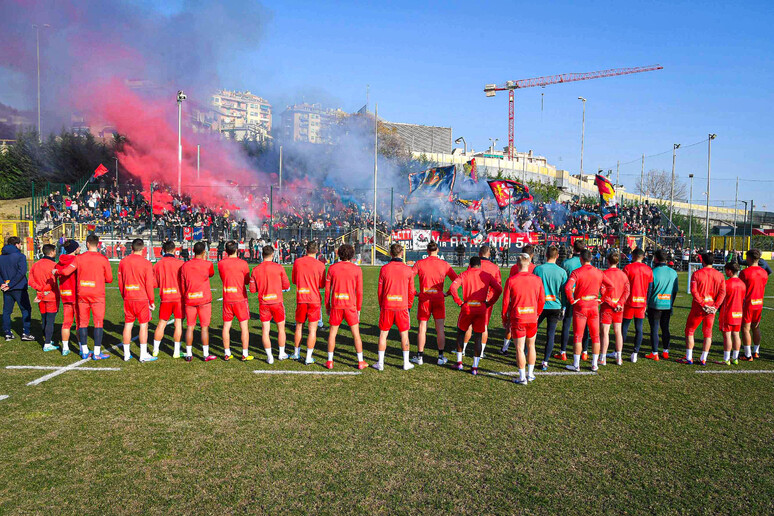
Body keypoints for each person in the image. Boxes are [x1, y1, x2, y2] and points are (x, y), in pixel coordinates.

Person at [56, 234, 113, 360]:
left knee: (82, 322)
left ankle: (85, 351)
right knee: (98, 322)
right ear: (98, 244)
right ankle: (97, 352)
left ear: (87, 244)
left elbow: (66, 271)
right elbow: (109, 279)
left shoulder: (79, 258)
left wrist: (56, 271)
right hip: (97, 294)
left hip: (82, 294)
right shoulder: (103, 259)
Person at [447, 256, 502, 375]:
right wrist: (490, 302)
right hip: (481, 308)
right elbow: (498, 289)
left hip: (467, 307)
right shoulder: (486, 275)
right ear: (480, 265)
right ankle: (475, 367)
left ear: (470, 264)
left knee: (461, 333)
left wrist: (459, 302)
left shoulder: (464, 274)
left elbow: (453, 288)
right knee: (478, 336)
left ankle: (459, 362)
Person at [412, 241, 457, 365]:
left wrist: (415, 292)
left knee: (422, 328)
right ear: (437, 250)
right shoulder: (444, 264)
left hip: (424, 299)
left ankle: (420, 356)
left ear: (427, 251)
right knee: (440, 329)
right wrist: (447, 293)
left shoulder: (420, 263)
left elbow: (409, 277)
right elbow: (457, 281)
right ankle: (440, 357)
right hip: (438, 299)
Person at [502, 253, 545, 384]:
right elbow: (542, 300)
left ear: (517, 264)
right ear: (530, 263)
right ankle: (530, 374)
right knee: (531, 346)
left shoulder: (512, 280)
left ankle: (522, 377)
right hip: (532, 317)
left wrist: (505, 318)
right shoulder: (537, 280)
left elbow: (505, 302)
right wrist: (537, 314)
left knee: (520, 348)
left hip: (518, 318)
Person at [324, 244, 368, 370]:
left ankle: (330, 361)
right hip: (350, 306)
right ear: (352, 255)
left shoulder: (332, 268)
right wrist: (358, 308)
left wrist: (328, 305)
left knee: (332, 333)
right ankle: (360, 361)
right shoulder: (357, 269)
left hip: (336, 305)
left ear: (339, 254)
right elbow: (359, 292)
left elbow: (328, 290)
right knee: (356, 334)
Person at [678, 252, 726, 365]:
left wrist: (703, 304)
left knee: (690, 331)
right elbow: (722, 293)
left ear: (702, 261)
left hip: (699, 308)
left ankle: (689, 357)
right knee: (708, 333)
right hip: (711, 309)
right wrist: (715, 307)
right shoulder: (720, 275)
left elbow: (694, 291)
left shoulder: (697, 274)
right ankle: (703, 358)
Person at [374, 243, 416, 371]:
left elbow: (380, 291)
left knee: (383, 334)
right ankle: (406, 362)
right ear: (402, 253)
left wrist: (381, 305)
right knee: (404, 335)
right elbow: (411, 291)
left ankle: (380, 363)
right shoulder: (408, 270)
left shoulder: (384, 269)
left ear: (390, 253)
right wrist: (409, 306)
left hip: (387, 306)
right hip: (402, 307)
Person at [117, 238, 157, 362]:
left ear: (132, 248)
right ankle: (143, 354)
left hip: (129, 297)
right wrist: (151, 300)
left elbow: (120, 282)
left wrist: (125, 295)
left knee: (128, 325)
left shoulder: (123, 262)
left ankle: (126, 354)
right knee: (143, 326)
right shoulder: (147, 263)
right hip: (142, 298)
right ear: (143, 249)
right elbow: (149, 284)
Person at [564, 249, 603, 372]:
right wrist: (602, 299)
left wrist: (571, 299)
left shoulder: (576, 272)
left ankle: (576, 365)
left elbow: (568, 287)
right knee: (595, 336)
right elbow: (610, 286)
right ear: (591, 259)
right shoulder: (598, 272)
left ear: (581, 259)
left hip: (580, 306)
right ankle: (594, 364)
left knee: (578, 336)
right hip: (593, 306)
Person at [249, 245, 291, 363]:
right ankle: (281, 353)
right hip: (277, 302)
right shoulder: (279, 267)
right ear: (273, 255)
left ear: (262, 255)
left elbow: (252, 289)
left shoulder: (256, 269)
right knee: (281, 329)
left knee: (265, 330)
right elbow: (286, 285)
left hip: (264, 303)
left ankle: (269, 356)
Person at [529, 246, 567, 371]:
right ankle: (545, 361)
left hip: (539, 306)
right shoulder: (562, 272)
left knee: (531, 332)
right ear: (557, 257)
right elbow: (564, 291)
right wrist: (564, 307)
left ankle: (525, 356)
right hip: (555, 306)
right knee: (550, 334)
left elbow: (533, 288)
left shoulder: (538, 269)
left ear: (545, 255)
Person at [463, 245, 501, 358]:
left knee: (468, 324)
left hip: (472, 299)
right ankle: (481, 352)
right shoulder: (494, 268)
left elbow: (466, 279)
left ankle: (463, 349)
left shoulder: (472, 265)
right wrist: (490, 299)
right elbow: (498, 286)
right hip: (486, 301)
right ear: (489, 254)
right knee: (484, 326)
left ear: (479, 253)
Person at [180, 241, 215, 362]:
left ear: (193, 251)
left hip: (190, 298)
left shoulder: (185, 265)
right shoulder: (208, 264)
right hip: (204, 299)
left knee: (190, 327)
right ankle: (205, 354)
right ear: (204, 252)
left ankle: (189, 353)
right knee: (204, 327)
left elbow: (183, 283)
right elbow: (211, 274)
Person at [291, 241, 326, 365]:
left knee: (299, 326)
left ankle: (296, 353)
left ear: (306, 250)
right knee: (312, 330)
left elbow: (294, 280)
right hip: (314, 300)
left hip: (301, 298)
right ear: (317, 251)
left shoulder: (298, 262)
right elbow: (322, 284)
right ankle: (308, 357)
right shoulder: (321, 265)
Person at [218, 240, 252, 361]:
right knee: (244, 326)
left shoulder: (221, 263)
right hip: (240, 298)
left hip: (227, 297)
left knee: (226, 326)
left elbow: (222, 278)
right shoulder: (243, 263)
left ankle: (227, 352)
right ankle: (245, 353)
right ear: (237, 250)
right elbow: (247, 281)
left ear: (226, 251)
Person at [501, 244, 536, 353]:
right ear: (532, 255)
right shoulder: (535, 268)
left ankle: (505, 348)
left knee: (510, 325)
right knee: (530, 328)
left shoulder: (514, 267)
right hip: (531, 301)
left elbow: (510, 284)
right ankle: (526, 350)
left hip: (516, 300)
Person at [558, 240, 589, 361]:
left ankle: (563, 352)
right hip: (584, 298)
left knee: (567, 323)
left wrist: (564, 302)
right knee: (584, 324)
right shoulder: (586, 264)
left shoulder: (566, 263)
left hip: (570, 297)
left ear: (573, 249)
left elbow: (564, 283)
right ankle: (585, 352)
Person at [152, 241, 184, 358]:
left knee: (161, 323)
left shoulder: (158, 265)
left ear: (163, 250)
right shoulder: (180, 263)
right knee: (178, 324)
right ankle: (176, 351)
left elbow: (154, 284)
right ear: (174, 250)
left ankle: (155, 350)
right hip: (178, 298)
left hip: (165, 297)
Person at [621, 248, 653, 363]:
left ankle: (619, 351)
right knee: (639, 328)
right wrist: (646, 303)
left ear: (633, 256)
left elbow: (623, 285)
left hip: (629, 302)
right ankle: (635, 352)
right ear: (643, 257)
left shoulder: (627, 268)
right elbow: (650, 288)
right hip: (641, 303)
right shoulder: (648, 269)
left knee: (624, 327)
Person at [0, 236, 34, 342]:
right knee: (25, 309)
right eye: (20, 244)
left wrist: (2, 284)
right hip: (19, 287)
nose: (20, 246)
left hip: (6, 287)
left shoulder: (1, 257)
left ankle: (7, 333)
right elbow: (21, 272)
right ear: (16, 244)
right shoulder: (20, 256)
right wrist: (11, 284)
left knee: (6, 311)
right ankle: (26, 333)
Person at [646, 250, 679, 360]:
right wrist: (671, 304)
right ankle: (666, 351)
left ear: (655, 259)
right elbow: (674, 292)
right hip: (667, 304)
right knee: (665, 328)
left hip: (655, 305)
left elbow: (649, 291)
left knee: (654, 329)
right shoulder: (673, 273)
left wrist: (647, 304)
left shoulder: (652, 272)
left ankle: (655, 353)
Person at [599, 251, 630, 366]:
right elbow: (627, 291)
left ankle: (603, 358)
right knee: (618, 331)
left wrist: (612, 304)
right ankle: (619, 357)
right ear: (618, 262)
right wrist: (619, 304)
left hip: (608, 307)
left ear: (607, 261)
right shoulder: (623, 275)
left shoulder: (604, 274)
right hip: (619, 307)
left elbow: (603, 291)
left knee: (605, 332)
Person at [28, 244, 60, 353]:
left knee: (44, 318)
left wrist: (39, 290)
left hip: (40, 296)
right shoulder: (54, 265)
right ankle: (47, 343)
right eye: (55, 251)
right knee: (50, 320)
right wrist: (44, 290)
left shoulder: (36, 265)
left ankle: (47, 340)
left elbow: (31, 281)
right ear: (51, 252)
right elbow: (53, 283)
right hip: (50, 296)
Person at [739, 248, 768, 360]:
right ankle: (756, 351)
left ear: (749, 258)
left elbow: (741, 288)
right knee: (756, 327)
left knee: (745, 328)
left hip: (748, 303)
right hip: (759, 303)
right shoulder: (764, 272)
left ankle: (747, 354)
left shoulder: (744, 272)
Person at [717, 262, 745, 365]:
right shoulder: (742, 284)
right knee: (736, 335)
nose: (725, 272)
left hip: (728, 313)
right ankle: (735, 358)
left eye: (726, 270)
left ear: (729, 271)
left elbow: (720, 298)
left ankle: (726, 359)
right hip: (738, 313)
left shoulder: (726, 284)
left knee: (727, 336)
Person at [56, 240, 81, 356]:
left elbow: (55, 272)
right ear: (75, 249)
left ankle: (65, 348)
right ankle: (82, 347)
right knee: (80, 323)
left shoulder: (60, 261)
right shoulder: (76, 260)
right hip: (76, 294)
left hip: (65, 294)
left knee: (66, 322)